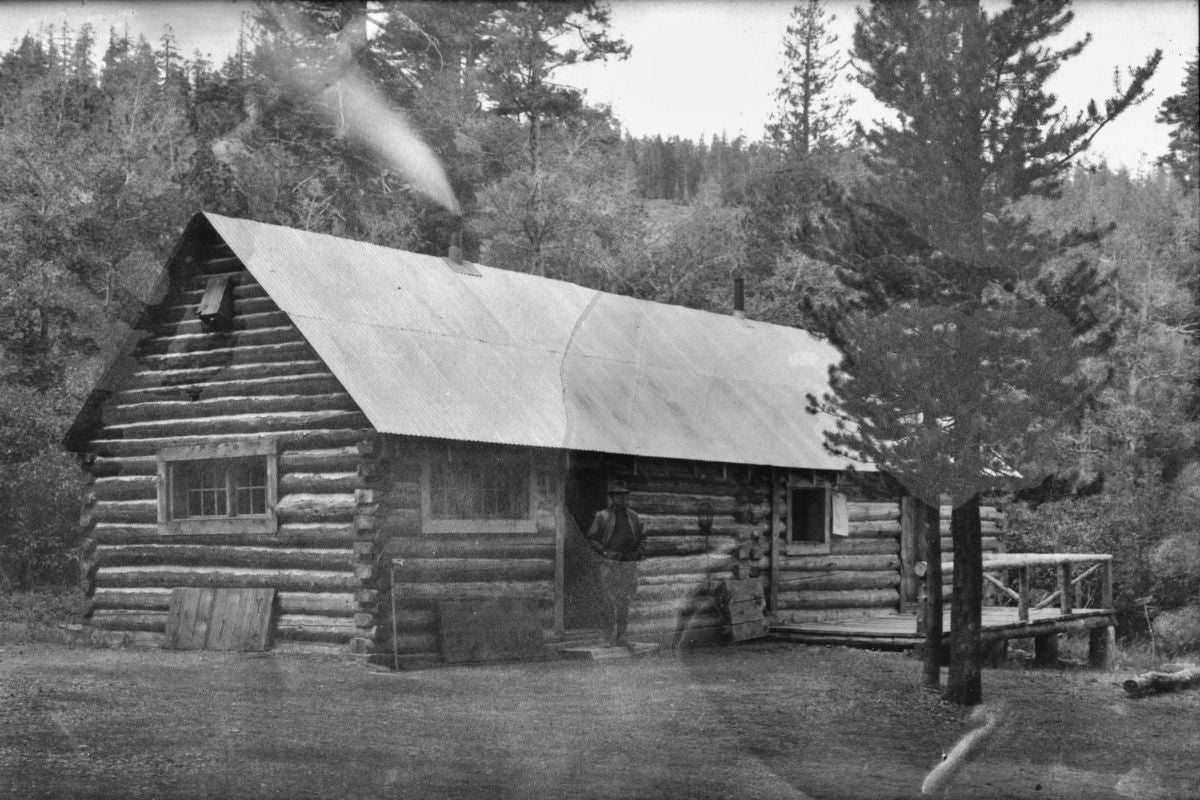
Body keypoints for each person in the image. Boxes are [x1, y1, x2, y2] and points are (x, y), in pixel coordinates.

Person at [586, 480, 646, 647]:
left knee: (624, 601)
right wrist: (605, 553)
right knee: (607, 600)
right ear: (612, 498)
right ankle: (606, 637)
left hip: (628, 564)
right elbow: (592, 539)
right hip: (610, 564)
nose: (622, 499)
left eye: (624, 496)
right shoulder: (602, 516)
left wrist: (637, 553)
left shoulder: (634, 517)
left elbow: (643, 539)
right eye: (618, 496)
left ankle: (622, 637)